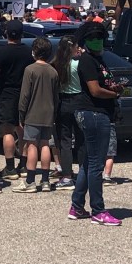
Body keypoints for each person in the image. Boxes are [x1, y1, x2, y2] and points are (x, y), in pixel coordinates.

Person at [69, 22, 123, 226]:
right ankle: (98, 209)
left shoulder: (99, 59)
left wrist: (113, 87)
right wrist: (114, 93)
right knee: (96, 165)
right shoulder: (86, 60)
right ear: (85, 41)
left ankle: (77, 205)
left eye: (100, 37)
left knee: (88, 163)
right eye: (93, 38)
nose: (98, 41)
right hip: (93, 113)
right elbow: (95, 90)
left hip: (98, 113)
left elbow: (103, 84)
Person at [0, 20, 33, 180]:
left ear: (6, 33)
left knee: (7, 130)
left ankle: (10, 167)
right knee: (23, 130)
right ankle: (24, 165)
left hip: (7, 93)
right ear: (22, 34)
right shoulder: (29, 52)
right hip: (25, 93)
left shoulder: (2, 52)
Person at [14, 37, 60, 193]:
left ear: (34, 52)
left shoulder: (30, 70)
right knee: (45, 144)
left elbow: (24, 95)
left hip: (32, 112)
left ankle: (30, 181)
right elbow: (56, 96)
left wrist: (21, 114)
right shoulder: (53, 71)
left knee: (32, 145)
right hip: (49, 112)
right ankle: (46, 180)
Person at [52, 37, 83, 190]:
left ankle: (67, 175)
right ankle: (84, 171)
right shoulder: (78, 64)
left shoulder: (56, 65)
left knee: (65, 140)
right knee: (81, 138)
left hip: (63, 101)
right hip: (79, 100)